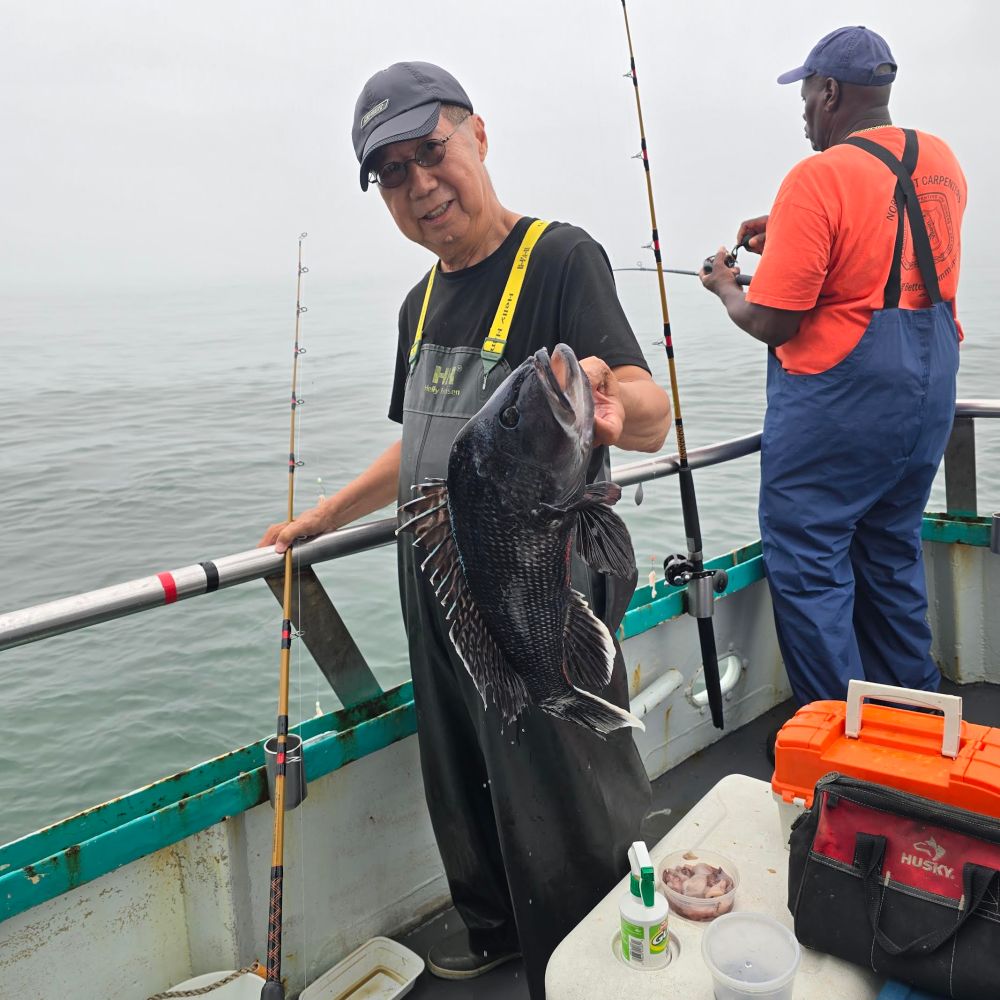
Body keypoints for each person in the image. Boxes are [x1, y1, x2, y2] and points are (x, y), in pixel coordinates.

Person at [260, 62, 671, 998]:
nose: (419, 185)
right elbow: (417, 447)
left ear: (477, 135)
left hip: (540, 571)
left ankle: (587, 957)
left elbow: (651, 409)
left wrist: (616, 413)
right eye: (392, 174)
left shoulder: (562, 259)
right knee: (462, 771)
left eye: (430, 152)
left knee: (564, 774)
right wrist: (322, 518)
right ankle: (496, 929)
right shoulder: (419, 303)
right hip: (439, 580)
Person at [701, 26, 965, 709]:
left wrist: (727, 288)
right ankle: (917, 719)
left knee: (811, 562)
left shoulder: (816, 177)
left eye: (807, 97)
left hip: (841, 405)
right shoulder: (939, 159)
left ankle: (842, 753)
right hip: (928, 390)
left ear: (831, 92)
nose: (803, 113)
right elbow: (886, 247)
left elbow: (775, 321)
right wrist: (788, 229)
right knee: (889, 551)